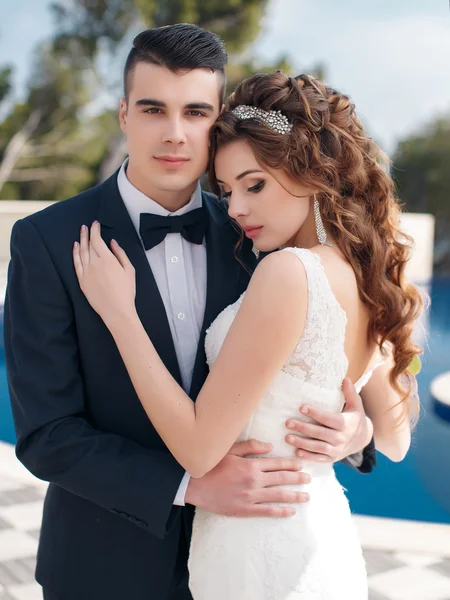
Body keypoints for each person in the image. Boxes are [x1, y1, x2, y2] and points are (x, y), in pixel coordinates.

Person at [4, 25, 376, 600]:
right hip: (101, 568)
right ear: (124, 113)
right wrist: (189, 486)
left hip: (248, 562)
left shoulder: (259, 230)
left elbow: (322, 357)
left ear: (219, 120)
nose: (175, 134)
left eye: (196, 112)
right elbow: (47, 435)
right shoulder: (47, 242)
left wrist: (353, 429)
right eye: (154, 109)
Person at [72, 70, 422, 599]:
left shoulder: (288, 273)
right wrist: (360, 433)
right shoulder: (371, 276)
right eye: (228, 189)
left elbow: (197, 450)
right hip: (321, 537)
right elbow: (396, 440)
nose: (234, 209)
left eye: (253, 184)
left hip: (260, 554)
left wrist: (121, 316)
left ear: (310, 173)